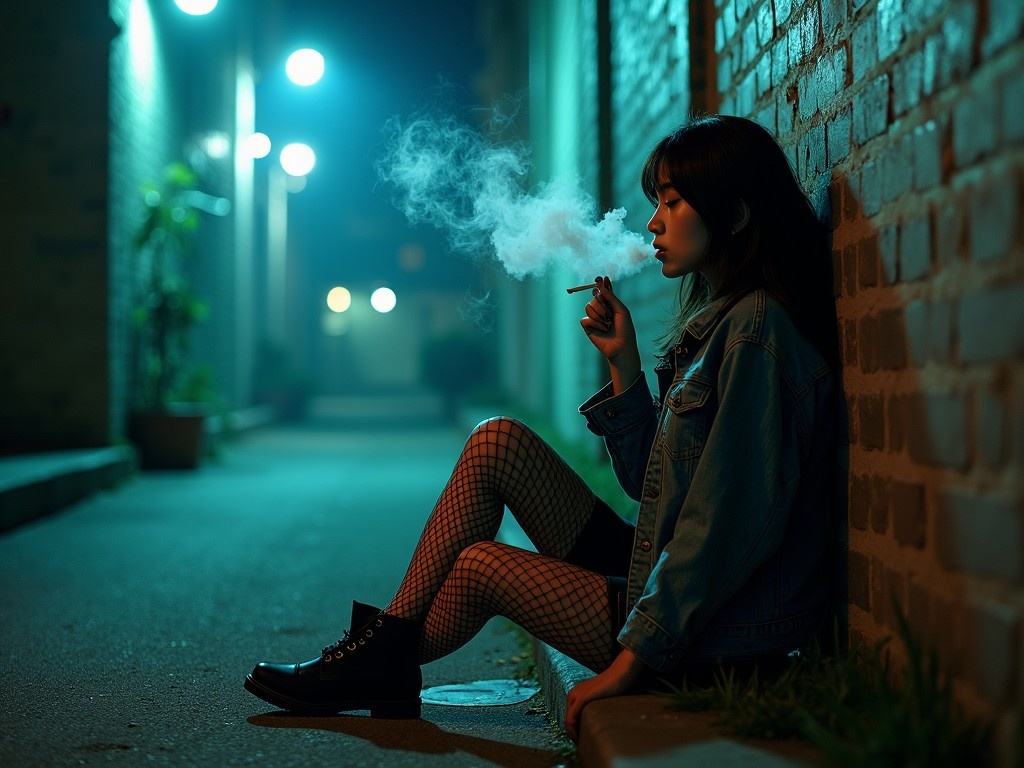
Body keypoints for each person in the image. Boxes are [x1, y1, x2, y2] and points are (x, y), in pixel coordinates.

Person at [243, 114, 841, 743]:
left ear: (737, 216)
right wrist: (623, 366)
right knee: (496, 439)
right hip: (663, 585)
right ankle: (378, 658)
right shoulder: (722, 323)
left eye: (671, 202)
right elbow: (652, 486)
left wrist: (632, 663)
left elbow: (718, 529)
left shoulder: (755, 336)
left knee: (480, 566)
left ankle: (373, 664)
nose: (654, 223)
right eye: (655, 204)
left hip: (710, 634)